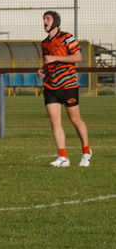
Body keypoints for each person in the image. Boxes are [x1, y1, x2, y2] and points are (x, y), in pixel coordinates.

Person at [38, 10, 92, 167]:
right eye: (43, 19)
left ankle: (86, 151)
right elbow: (48, 61)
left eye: (47, 18)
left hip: (68, 84)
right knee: (54, 121)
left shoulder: (67, 37)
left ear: (55, 21)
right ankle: (63, 157)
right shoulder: (44, 43)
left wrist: (55, 58)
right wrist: (42, 69)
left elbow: (78, 57)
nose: (44, 21)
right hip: (50, 85)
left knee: (75, 120)